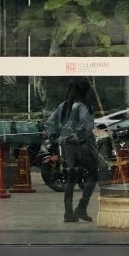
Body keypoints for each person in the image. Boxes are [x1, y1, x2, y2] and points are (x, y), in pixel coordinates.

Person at [45, 80, 98, 223]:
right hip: (82, 145)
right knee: (93, 174)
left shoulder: (63, 106)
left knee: (71, 177)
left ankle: (68, 212)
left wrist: (55, 137)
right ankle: (82, 207)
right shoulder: (84, 106)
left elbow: (50, 122)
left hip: (67, 146)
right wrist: (77, 136)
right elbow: (87, 126)